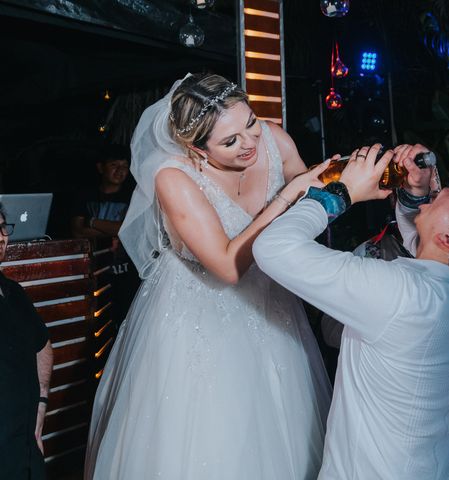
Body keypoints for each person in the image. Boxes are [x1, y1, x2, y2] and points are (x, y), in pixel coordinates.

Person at [84, 73, 332, 479]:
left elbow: (314, 209)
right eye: (230, 142)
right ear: (194, 147)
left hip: (273, 304)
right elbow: (227, 266)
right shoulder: (174, 178)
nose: (251, 143)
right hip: (199, 316)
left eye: (250, 123)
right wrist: (289, 196)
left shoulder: (276, 140)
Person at [254, 143, 449, 479]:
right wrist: (418, 192)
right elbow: (425, 244)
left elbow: (273, 248)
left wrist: (343, 191)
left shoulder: (401, 293)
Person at [0, 202, 53, 480]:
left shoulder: (13, 291)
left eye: (1, 227)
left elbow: (43, 346)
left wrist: (40, 409)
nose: (0, 236)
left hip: (26, 450)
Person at [71, 145, 139, 329]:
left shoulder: (133, 196)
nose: (120, 171)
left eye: (124, 166)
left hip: (124, 272)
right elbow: (77, 231)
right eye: (114, 165)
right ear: (101, 167)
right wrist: (115, 229)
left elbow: (128, 229)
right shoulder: (85, 194)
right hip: (92, 270)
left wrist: (92, 222)